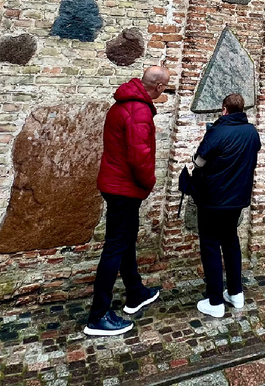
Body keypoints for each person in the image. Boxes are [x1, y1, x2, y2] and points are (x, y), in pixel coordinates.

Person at [84, 65, 169, 337]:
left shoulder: (122, 104)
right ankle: (98, 316)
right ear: (158, 87)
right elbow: (139, 155)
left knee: (125, 240)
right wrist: (149, 182)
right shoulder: (139, 110)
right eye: (164, 87)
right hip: (124, 188)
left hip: (116, 185)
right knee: (115, 247)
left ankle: (135, 293)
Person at [189, 92, 261, 318]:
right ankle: (236, 293)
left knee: (210, 245)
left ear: (224, 110)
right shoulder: (251, 132)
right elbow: (253, 152)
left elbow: (199, 161)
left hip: (212, 199)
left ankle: (215, 300)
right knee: (230, 242)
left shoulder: (217, 131)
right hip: (236, 199)